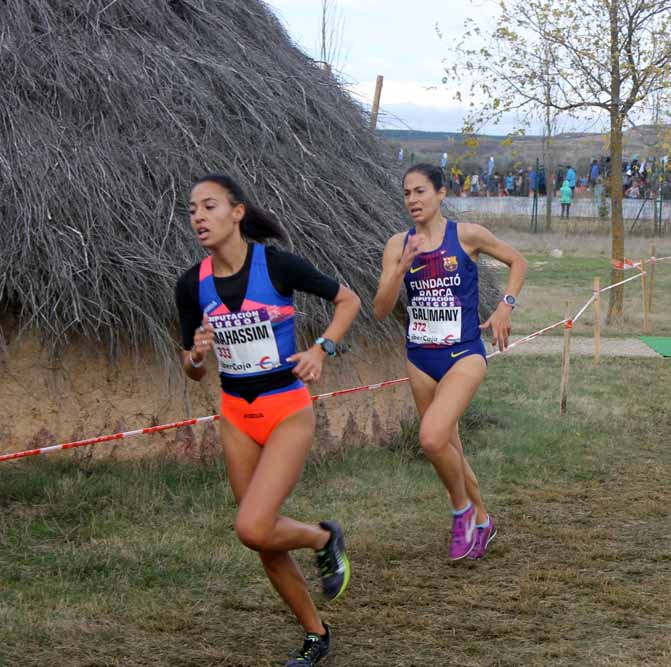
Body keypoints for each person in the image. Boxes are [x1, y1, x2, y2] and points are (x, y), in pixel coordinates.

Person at [176, 174, 361, 667]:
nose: (197, 216)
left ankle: (324, 536)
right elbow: (192, 371)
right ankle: (315, 634)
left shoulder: (276, 265)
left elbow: (348, 301)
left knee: (254, 526)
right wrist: (196, 357)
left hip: (285, 409)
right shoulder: (191, 284)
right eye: (192, 208)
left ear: (236, 212)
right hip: (236, 414)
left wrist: (323, 347)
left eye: (208, 206)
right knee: (262, 540)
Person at [373, 164, 527, 561]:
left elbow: (517, 262)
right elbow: (380, 309)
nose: (413, 200)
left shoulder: (467, 235)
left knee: (430, 437)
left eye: (421, 191)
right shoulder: (397, 245)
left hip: (464, 353)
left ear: (441, 193)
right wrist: (401, 268)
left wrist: (506, 305)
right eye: (407, 193)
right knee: (448, 445)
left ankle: (461, 513)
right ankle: (482, 518)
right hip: (420, 357)